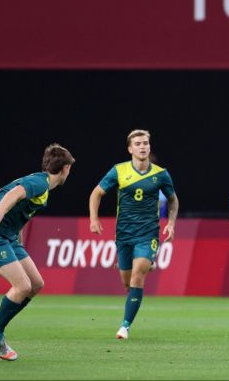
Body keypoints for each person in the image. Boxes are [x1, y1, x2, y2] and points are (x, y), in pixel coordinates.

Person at [0, 144, 75, 361]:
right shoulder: (39, 183)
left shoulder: (42, 186)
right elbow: (15, 194)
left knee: (36, 284)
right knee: (22, 286)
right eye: (69, 168)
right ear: (64, 169)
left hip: (8, 236)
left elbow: (20, 209)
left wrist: (17, 235)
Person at [89, 129, 178, 340]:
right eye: (138, 143)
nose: (142, 146)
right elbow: (97, 193)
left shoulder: (161, 174)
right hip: (124, 234)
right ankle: (145, 264)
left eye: (145, 143)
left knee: (139, 274)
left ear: (149, 146)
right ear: (130, 148)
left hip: (148, 233)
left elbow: (173, 199)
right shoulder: (118, 171)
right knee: (127, 282)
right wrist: (94, 219)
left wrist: (171, 223)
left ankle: (125, 326)